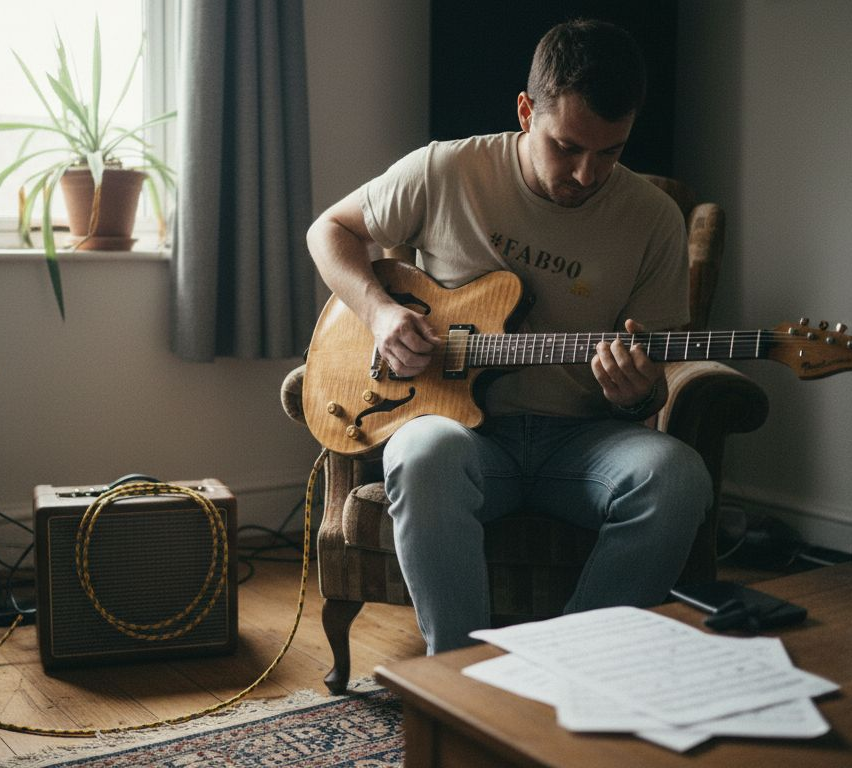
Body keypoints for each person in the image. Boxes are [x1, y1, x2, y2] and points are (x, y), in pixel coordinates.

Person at [305, 18, 713, 653]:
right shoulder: (446, 169)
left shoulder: (655, 220)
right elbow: (328, 230)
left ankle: (572, 664)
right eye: (567, 147)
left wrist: (636, 392)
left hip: (582, 444)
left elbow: (648, 383)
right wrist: (381, 314)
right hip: (466, 438)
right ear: (526, 112)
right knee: (421, 453)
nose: (587, 174)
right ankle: (465, 681)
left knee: (679, 475)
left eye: (610, 152)